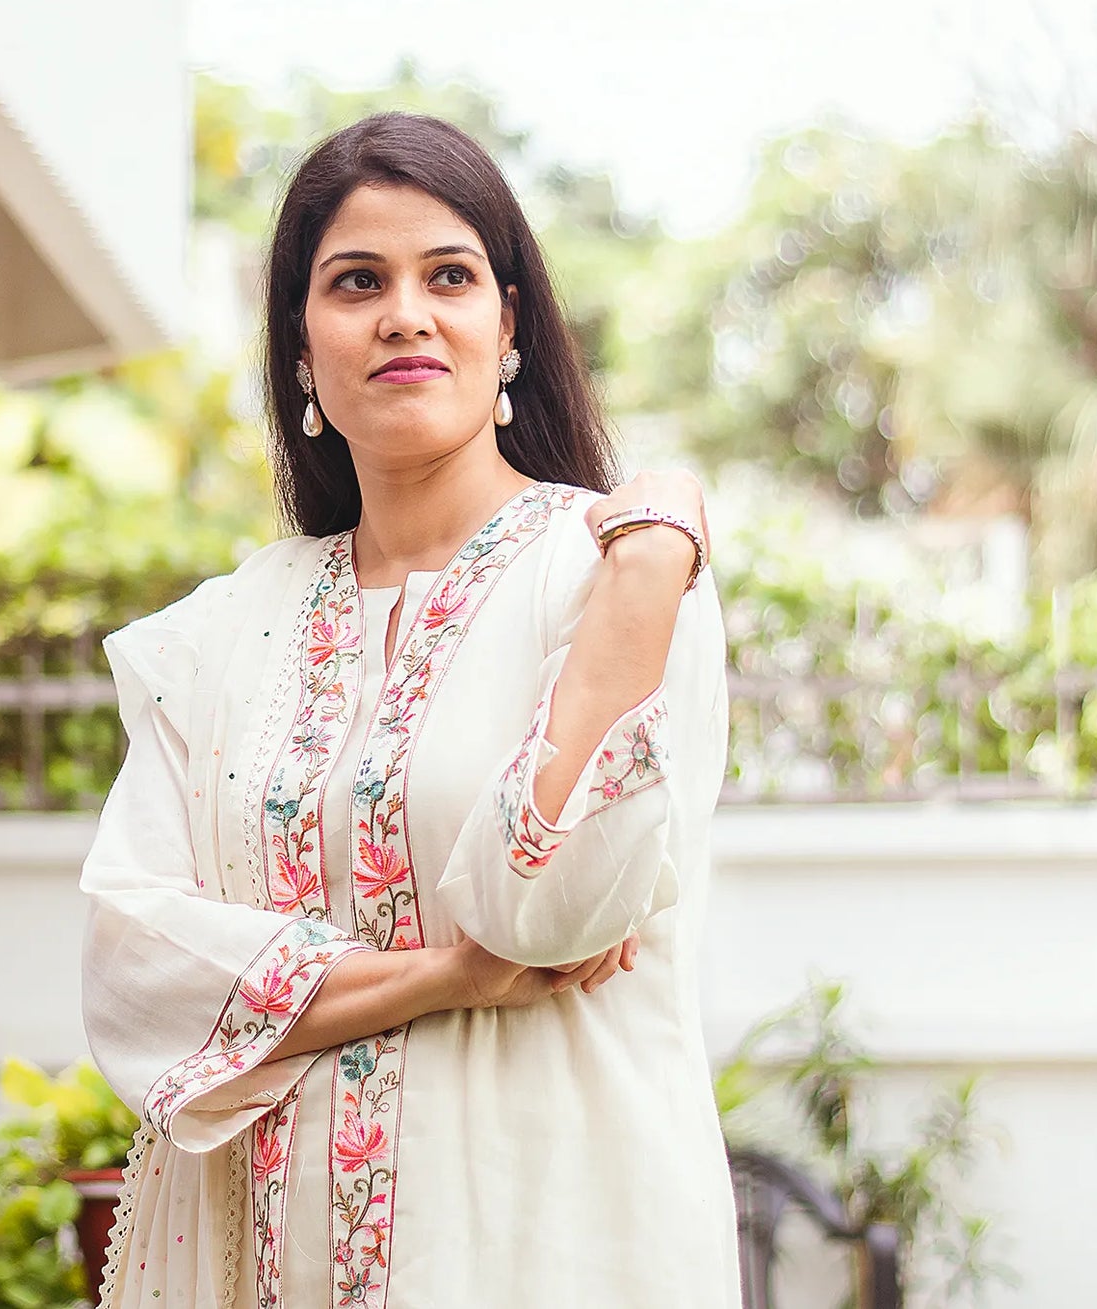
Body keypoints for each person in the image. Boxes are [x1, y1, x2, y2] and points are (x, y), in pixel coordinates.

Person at [79, 111, 741, 1309]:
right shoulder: (223, 634)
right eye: (355, 282)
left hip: (553, 1249)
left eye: (448, 274)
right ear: (299, 351)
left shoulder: (613, 571)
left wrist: (647, 563)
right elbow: (135, 967)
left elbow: (542, 904)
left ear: (509, 334)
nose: (403, 313)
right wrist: (450, 975)